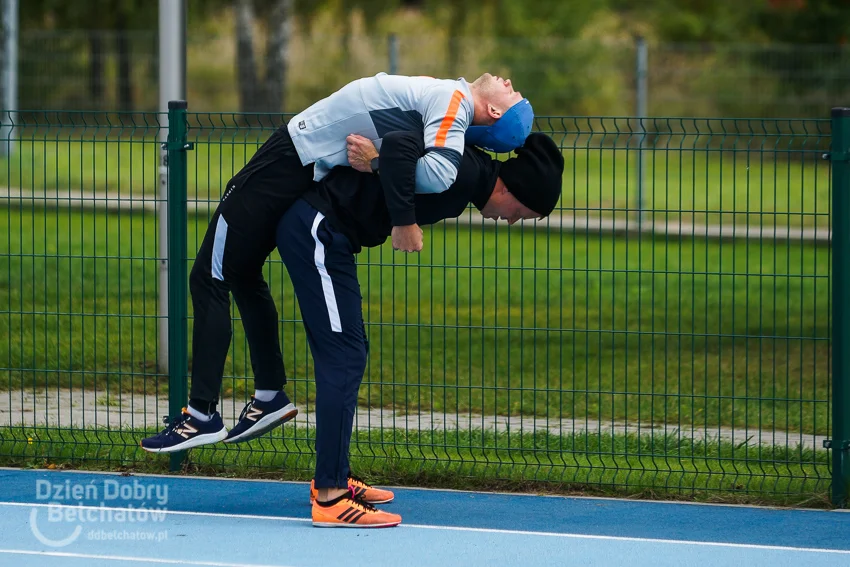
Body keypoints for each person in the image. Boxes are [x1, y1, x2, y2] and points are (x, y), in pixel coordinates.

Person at [140, 73, 534, 455]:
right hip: (299, 158)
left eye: (512, 94)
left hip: (292, 157)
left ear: (496, 113)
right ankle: (269, 395)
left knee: (208, 276)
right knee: (241, 272)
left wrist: (396, 201)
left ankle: (201, 415)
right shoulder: (450, 103)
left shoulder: (455, 103)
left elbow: (438, 173)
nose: (508, 83)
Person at [275, 130, 564, 527]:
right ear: (512, 189)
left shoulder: (470, 178)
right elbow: (399, 142)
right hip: (318, 230)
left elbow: (405, 159)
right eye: (522, 213)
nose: (512, 220)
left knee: (350, 355)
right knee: (343, 358)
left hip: (332, 236)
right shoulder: (463, 172)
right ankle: (330, 498)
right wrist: (401, 215)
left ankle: (334, 476)